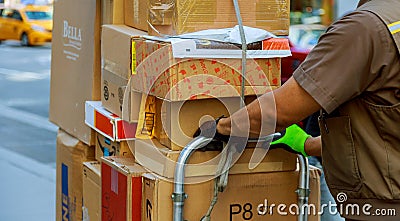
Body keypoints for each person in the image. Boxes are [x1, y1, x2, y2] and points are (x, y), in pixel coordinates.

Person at [197, 0, 400, 220]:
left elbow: (279, 112)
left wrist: (221, 127)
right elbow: (383, 129)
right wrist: (306, 144)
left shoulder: (366, 28)